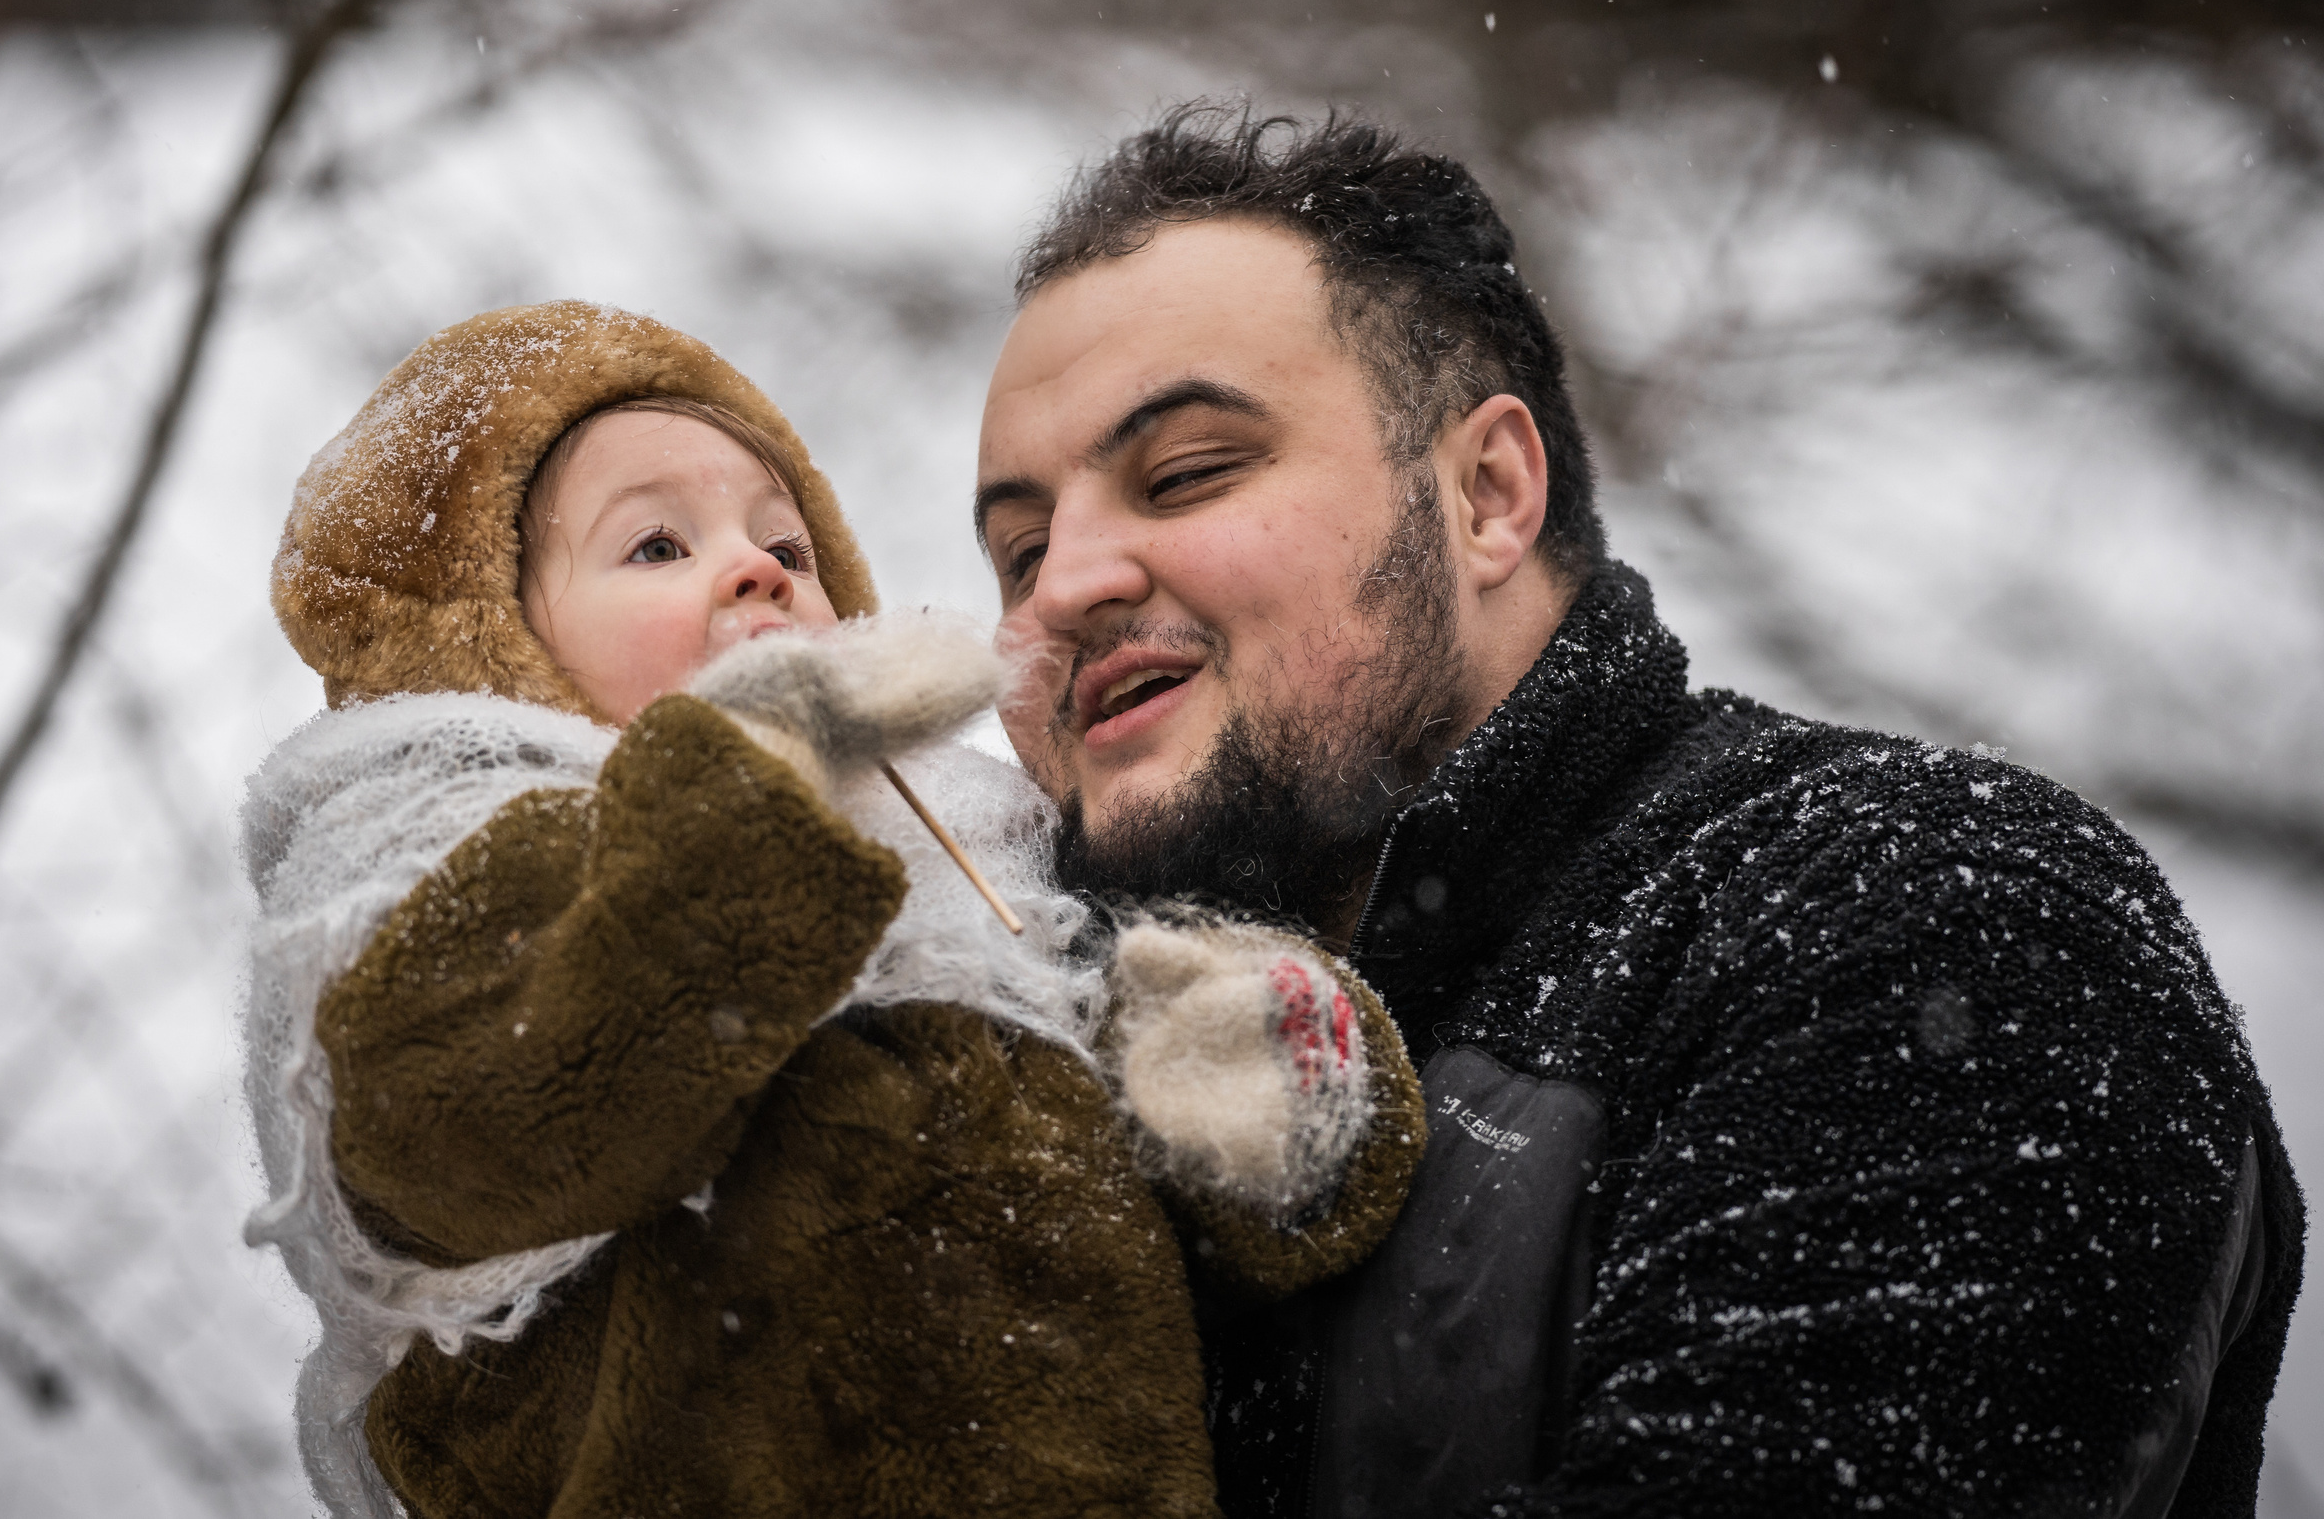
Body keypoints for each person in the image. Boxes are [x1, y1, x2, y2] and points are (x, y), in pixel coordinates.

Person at [974, 105, 2304, 1519]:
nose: (1063, 589)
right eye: (1017, 550)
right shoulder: (1007, 1092)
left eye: (1185, 472)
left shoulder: (1923, 902)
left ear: (1488, 492)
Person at [238, 300, 1427, 1519]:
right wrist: (743, 793)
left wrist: (1212, 1075)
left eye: (788, 550)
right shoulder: (454, 870)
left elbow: (1153, 1232)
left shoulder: (970, 861)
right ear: (493, 642)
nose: (755, 568)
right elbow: (484, 1112)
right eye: (657, 546)